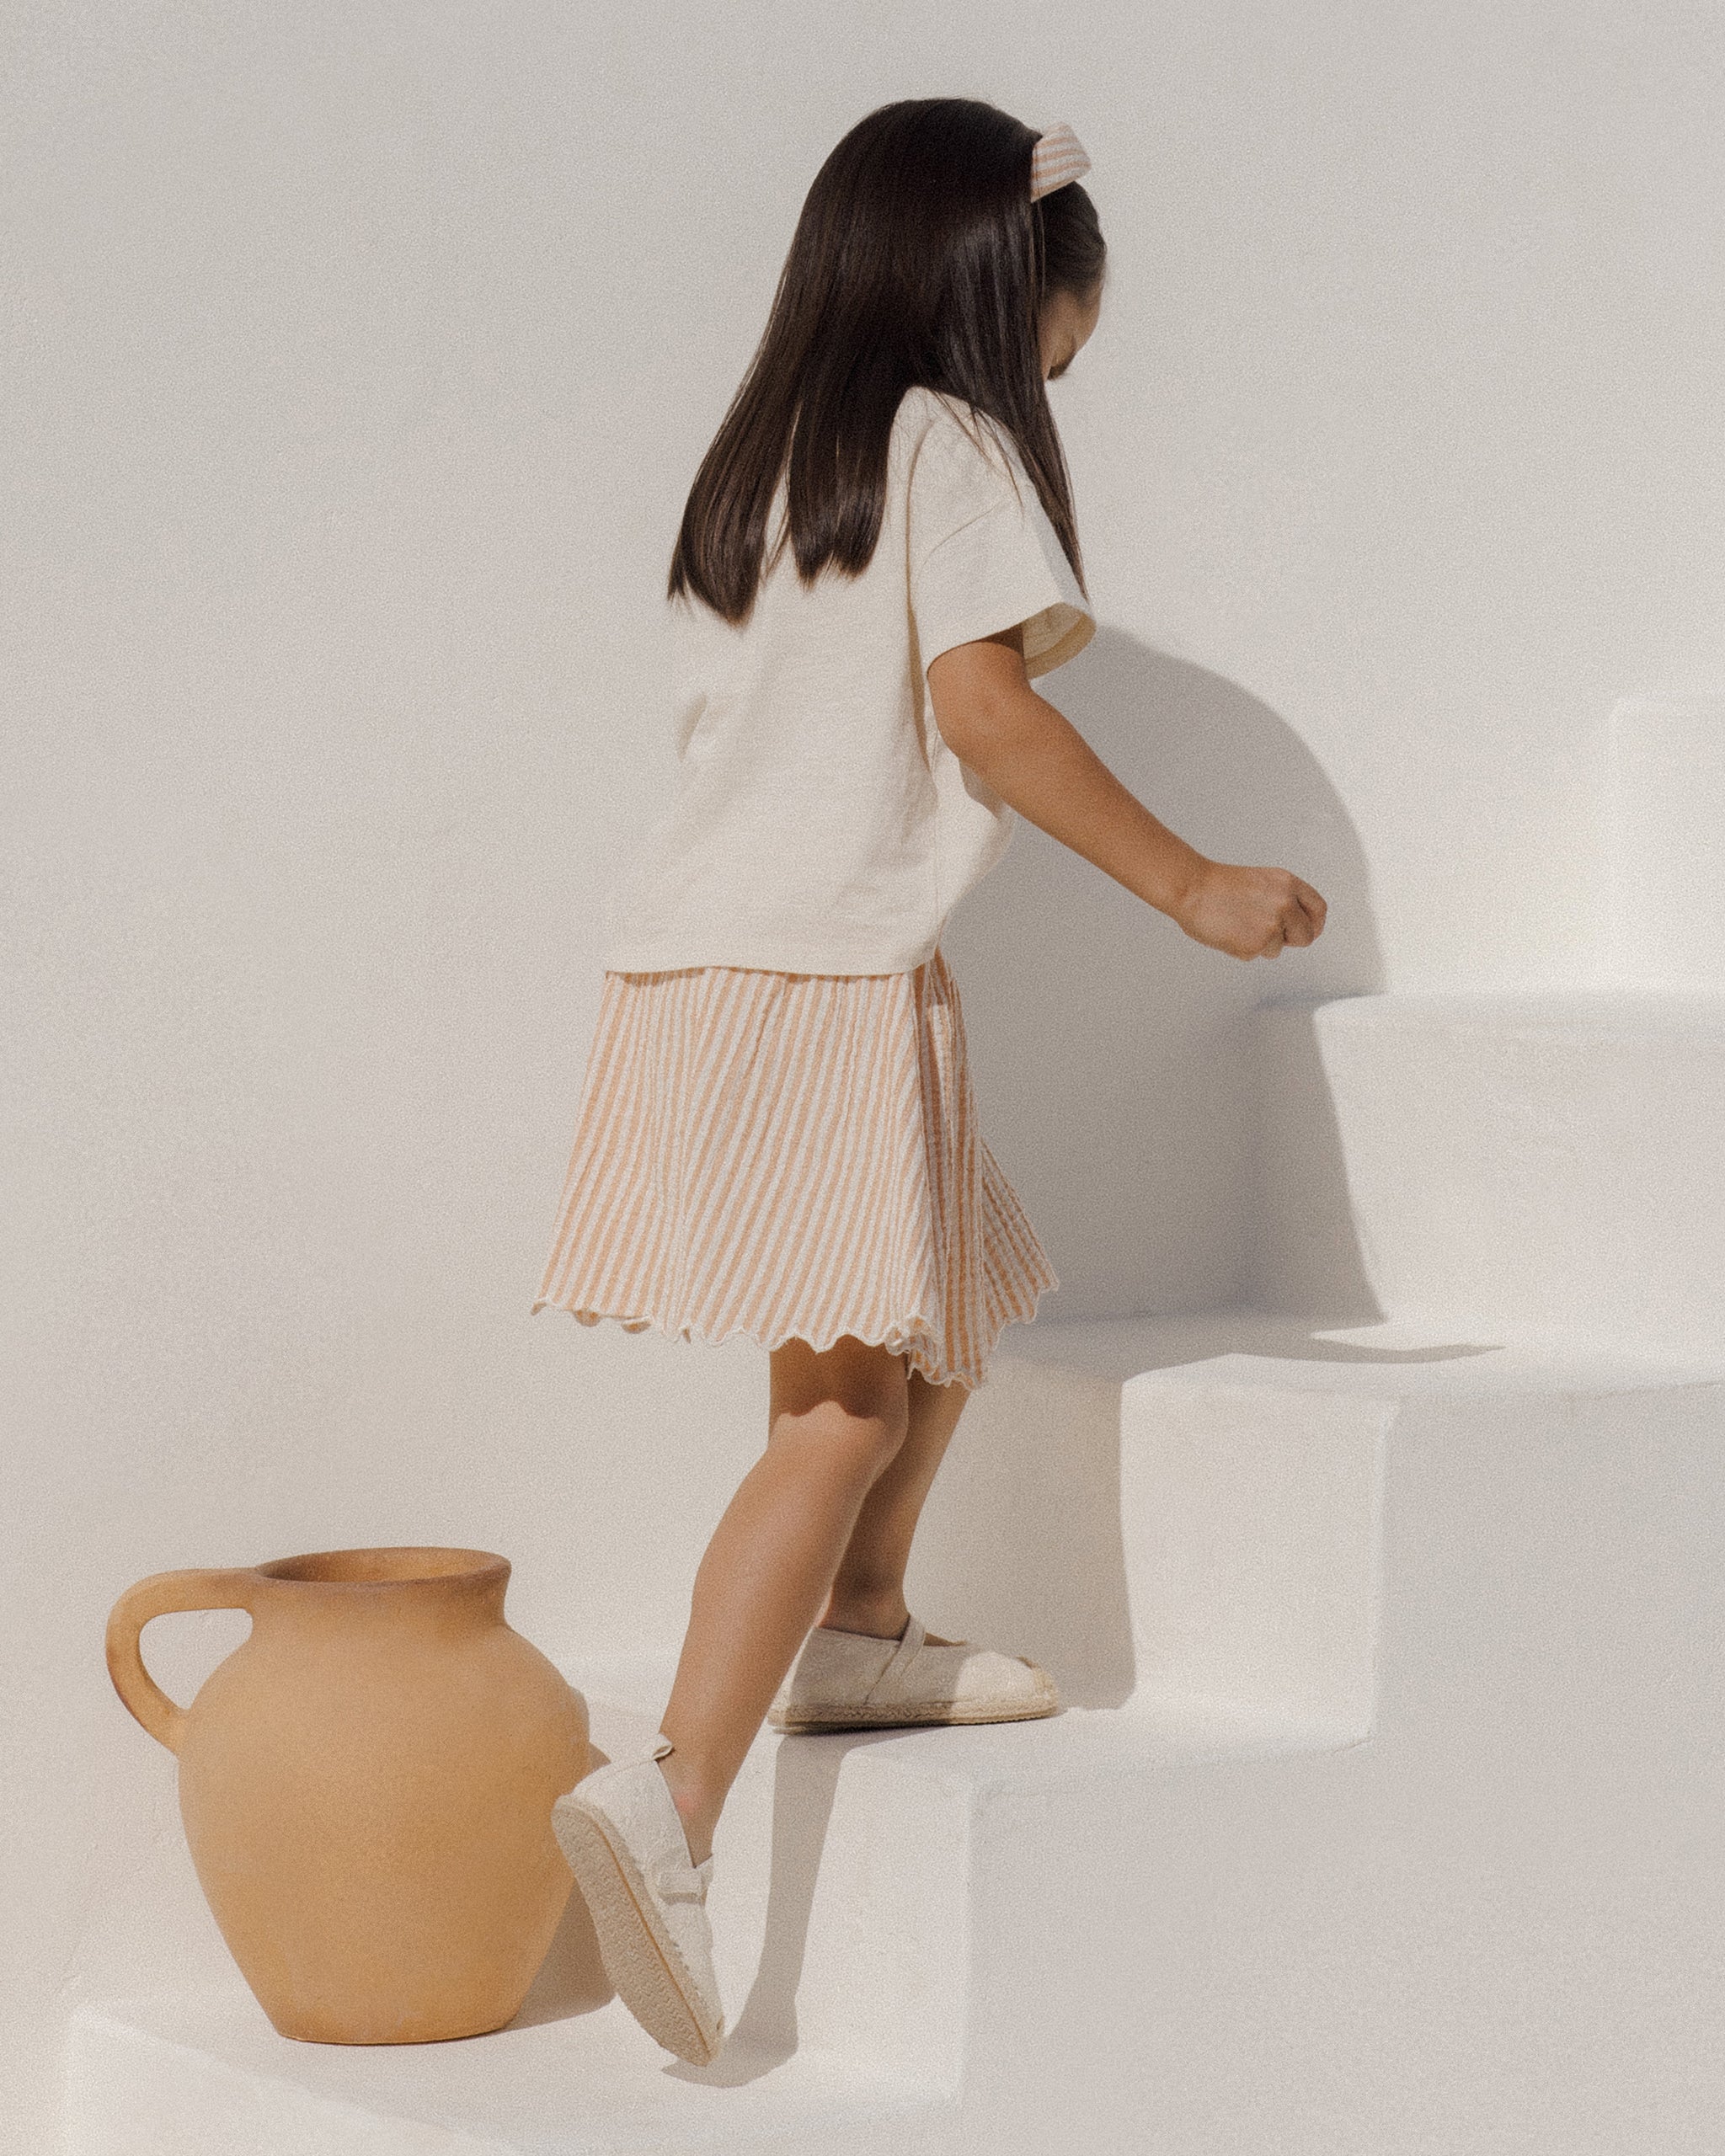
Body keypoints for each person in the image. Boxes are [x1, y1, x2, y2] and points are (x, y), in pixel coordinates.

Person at [532, 99, 1327, 2068]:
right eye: (1064, 338)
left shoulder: (764, 463)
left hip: (708, 960)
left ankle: (861, 1625)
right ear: (999, 291)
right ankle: (675, 1799)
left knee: (955, 1276)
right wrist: (1189, 883)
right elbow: (985, 713)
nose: (1058, 381)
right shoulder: (943, 441)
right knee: (838, 1406)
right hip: (822, 972)